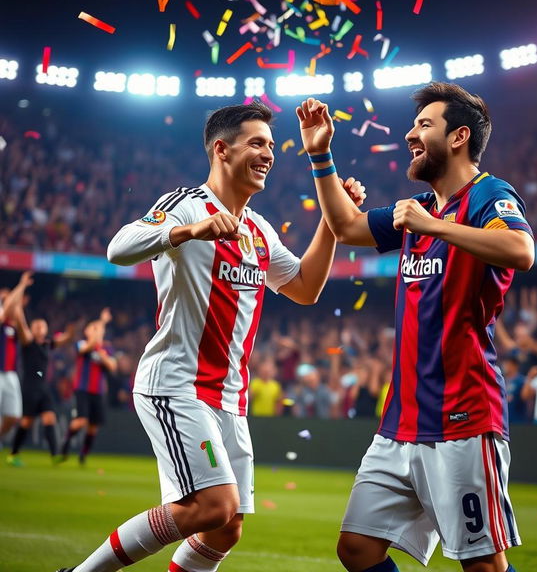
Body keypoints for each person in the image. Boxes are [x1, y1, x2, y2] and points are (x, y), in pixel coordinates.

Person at [55, 101, 365, 572]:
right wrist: (188, 231)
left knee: (227, 526)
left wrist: (331, 223)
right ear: (222, 149)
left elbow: (304, 288)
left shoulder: (258, 230)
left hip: (229, 398)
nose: (268, 154)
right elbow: (117, 248)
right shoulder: (185, 204)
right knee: (213, 506)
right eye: (256, 143)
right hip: (175, 384)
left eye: (270, 145)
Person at [297, 82, 535, 572]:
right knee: (357, 549)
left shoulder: (488, 194)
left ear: (458, 137)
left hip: (463, 418)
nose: (410, 134)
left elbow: (521, 250)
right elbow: (346, 227)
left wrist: (434, 227)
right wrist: (321, 156)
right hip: (400, 422)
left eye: (424, 124)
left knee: (483, 564)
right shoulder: (419, 210)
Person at [6, 273, 74, 465]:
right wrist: (19, 307)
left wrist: (70, 333)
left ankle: (55, 454)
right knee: (26, 422)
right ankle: (13, 453)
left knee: (50, 418)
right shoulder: (28, 342)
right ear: (32, 328)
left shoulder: (46, 344)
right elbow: (20, 324)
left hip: (43, 387)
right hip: (29, 386)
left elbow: (63, 340)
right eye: (36, 325)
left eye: (42, 326)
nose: (39, 328)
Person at [60, 308, 116, 464]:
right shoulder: (81, 344)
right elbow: (88, 346)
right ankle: (64, 444)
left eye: (98, 330)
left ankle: (83, 454)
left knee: (93, 427)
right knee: (81, 421)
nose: (97, 332)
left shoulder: (106, 349)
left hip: (98, 391)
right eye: (94, 328)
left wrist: (104, 358)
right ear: (87, 331)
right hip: (82, 389)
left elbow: (113, 366)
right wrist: (103, 322)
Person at [0, 273, 33, 444]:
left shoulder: (13, 324)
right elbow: (5, 311)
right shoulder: (2, 318)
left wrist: (18, 306)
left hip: (10, 373)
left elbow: (27, 338)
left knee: (13, 416)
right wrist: (21, 286)